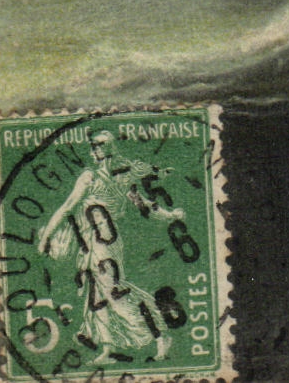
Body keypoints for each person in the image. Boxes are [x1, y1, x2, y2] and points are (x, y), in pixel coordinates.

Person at [36, 131, 183, 364]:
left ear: (110, 147)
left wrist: (169, 215)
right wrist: (47, 236)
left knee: (115, 292)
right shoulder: (89, 177)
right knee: (95, 297)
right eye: (93, 146)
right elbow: (67, 208)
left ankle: (161, 334)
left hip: (106, 242)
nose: (95, 150)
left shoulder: (122, 177)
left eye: (100, 145)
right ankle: (107, 348)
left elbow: (144, 205)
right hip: (89, 244)